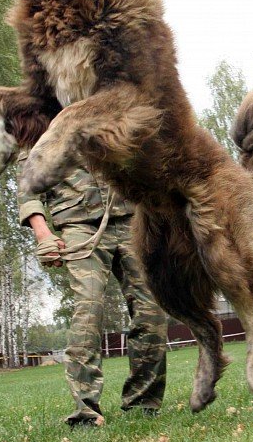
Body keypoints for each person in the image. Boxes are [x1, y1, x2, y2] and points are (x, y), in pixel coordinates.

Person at [17, 150, 167, 427]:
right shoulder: (41, 119)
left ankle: (143, 403)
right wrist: (43, 233)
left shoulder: (109, 111)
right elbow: (29, 184)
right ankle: (86, 411)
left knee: (152, 311)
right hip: (78, 224)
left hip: (132, 218)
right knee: (88, 309)